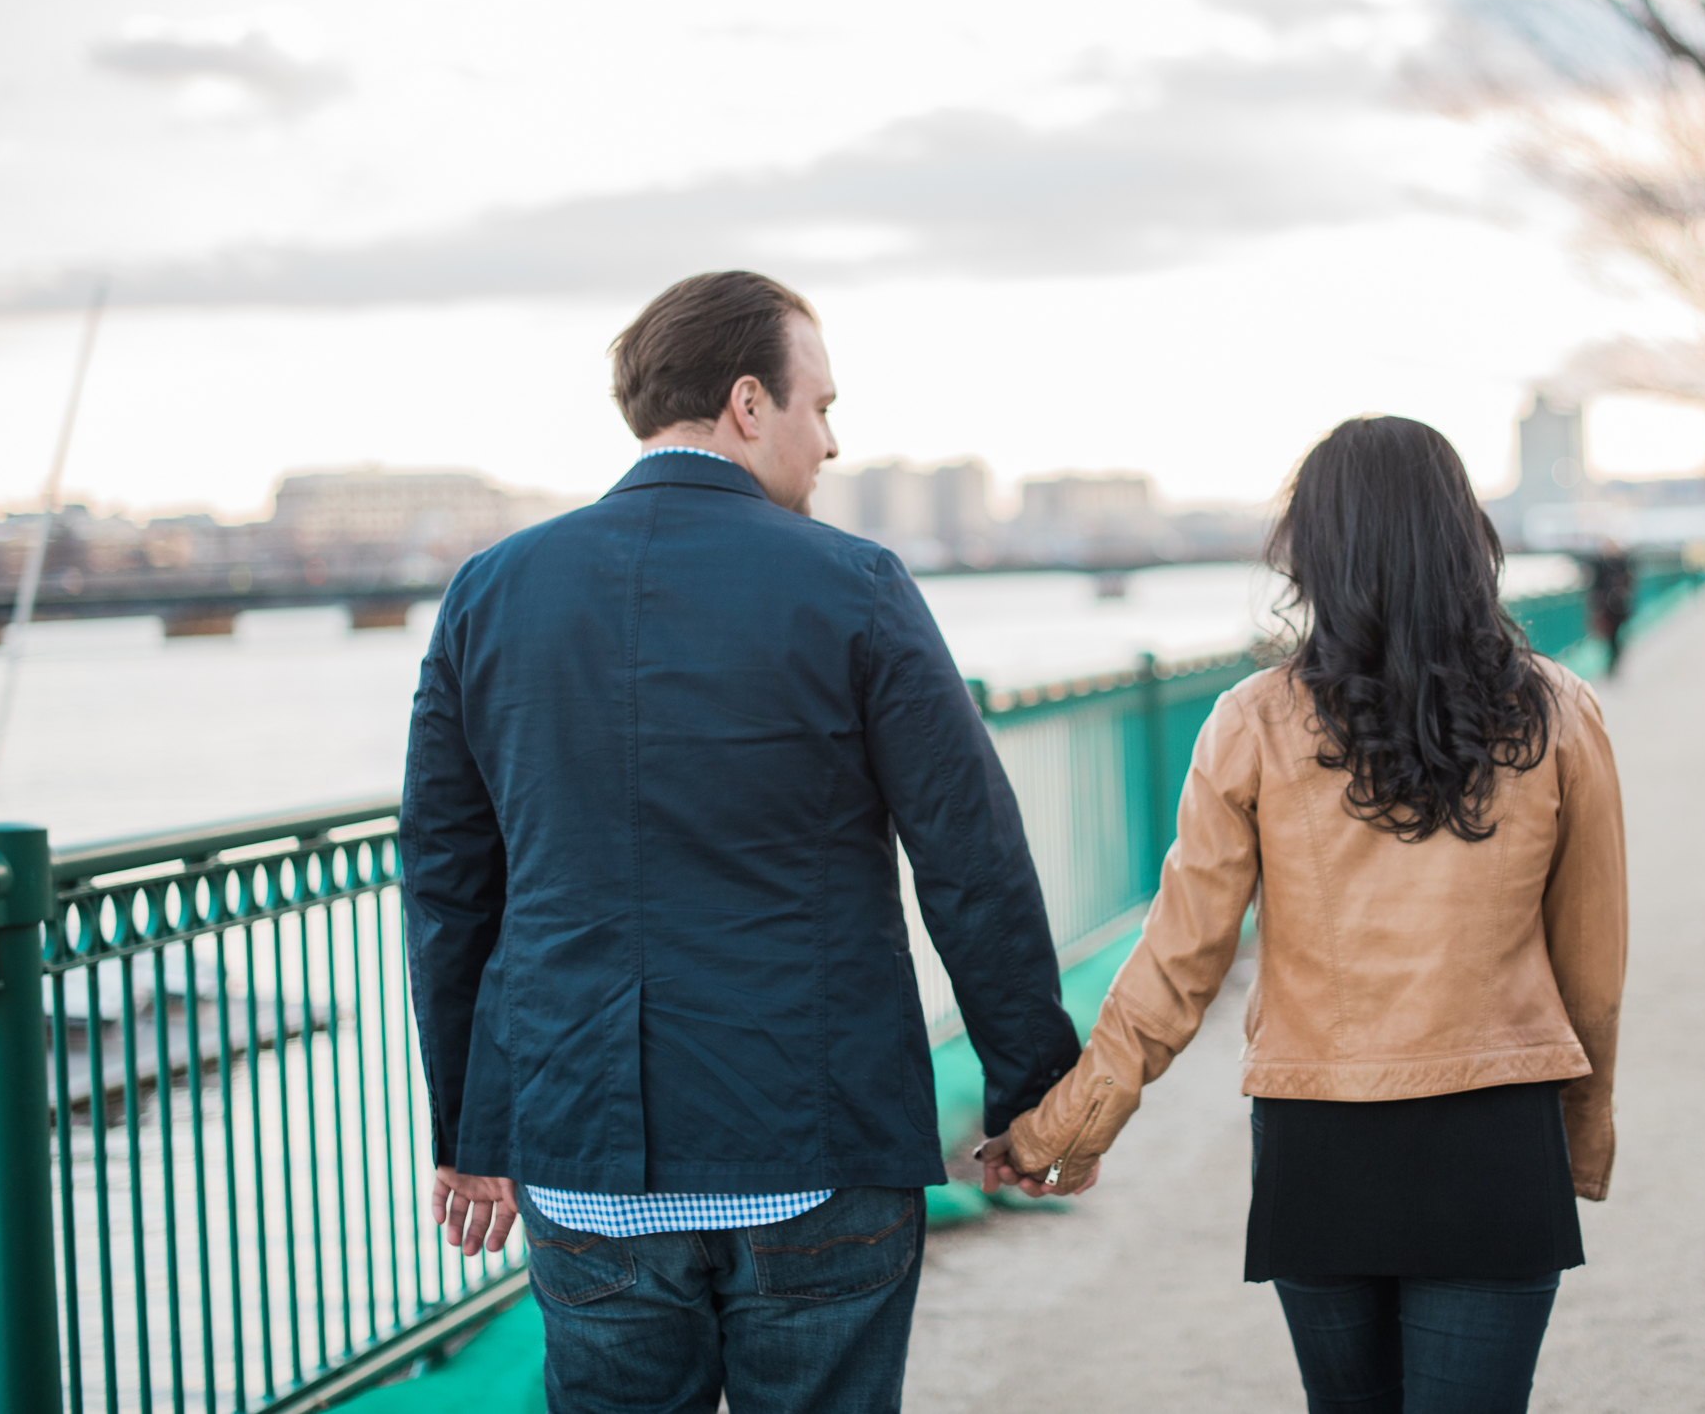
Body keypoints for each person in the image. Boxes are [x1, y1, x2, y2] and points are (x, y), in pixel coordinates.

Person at [401, 270, 1081, 1414]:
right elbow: (969, 856)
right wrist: (1033, 1095)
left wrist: (472, 1126)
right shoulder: (855, 585)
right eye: (819, 405)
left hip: (582, 1149)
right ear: (750, 403)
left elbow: (449, 880)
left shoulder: (491, 592)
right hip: (813, 1144)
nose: (829, 440)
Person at [982, 415, 1626, 1414]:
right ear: (1466, 538)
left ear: (1311, 551)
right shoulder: (1557, 713)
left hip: (1322, 1144)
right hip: (1498, 1138)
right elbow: (1593, 972)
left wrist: (1062, 1130)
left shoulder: (1254, 720)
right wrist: (1579, 1141)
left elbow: (1177, 960)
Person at [1584, 541, 1636, 676]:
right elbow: (1595, 586)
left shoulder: (1623, 563)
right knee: (1610, 638)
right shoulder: (1600, 565)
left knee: (1618, 637)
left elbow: (1631, 582)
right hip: (1607, 608)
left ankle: (1614, 662)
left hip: (1620, 608)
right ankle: (1612, 663)